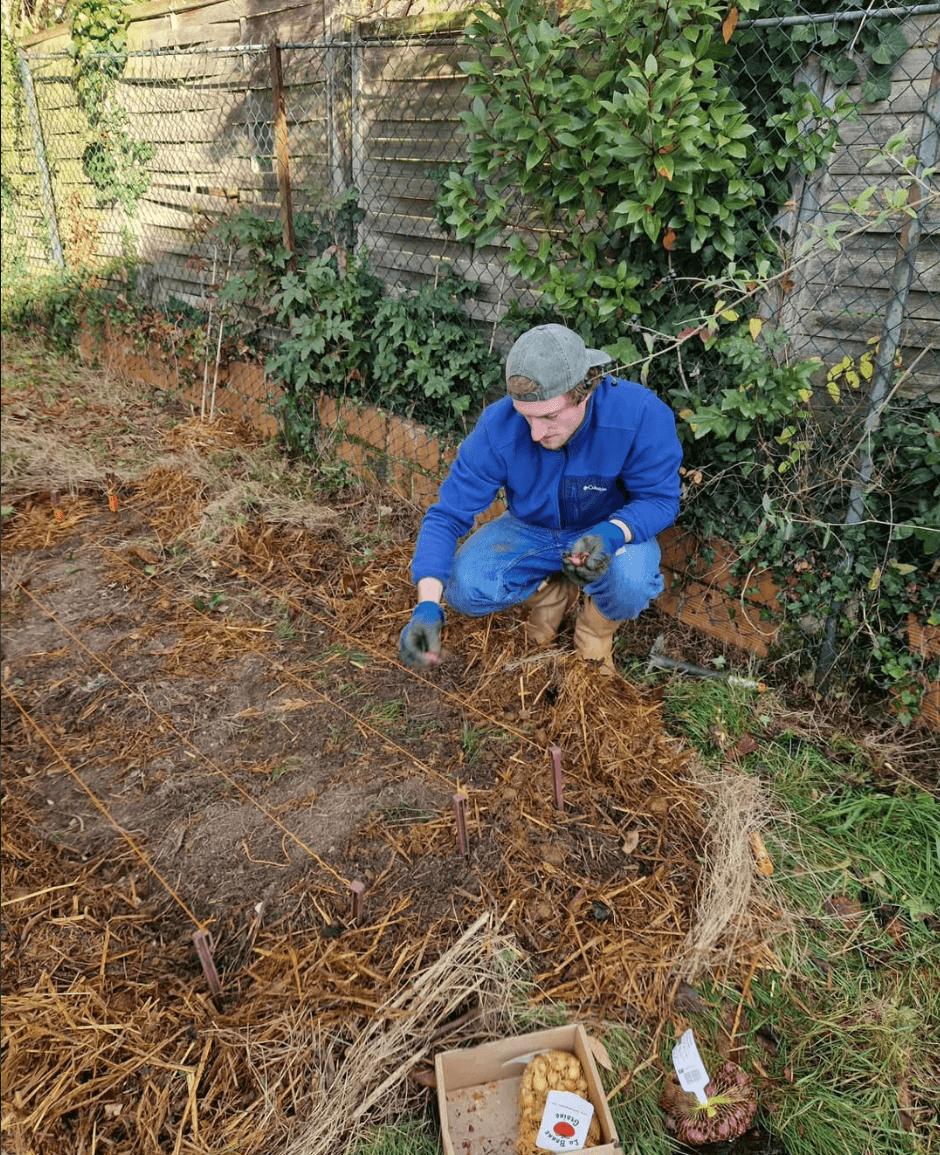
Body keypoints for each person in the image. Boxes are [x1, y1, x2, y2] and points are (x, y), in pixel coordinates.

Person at [399, 322, 683, 675]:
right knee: (462, 588)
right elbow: (446, 516)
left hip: (608, 530)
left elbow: (660, 499)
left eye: (549, 416)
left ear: (587, 388)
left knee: (632, 582)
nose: (536, 433)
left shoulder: (639, 414)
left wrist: (611, 535)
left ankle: (594, 632)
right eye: (526, 416)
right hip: (531, 528)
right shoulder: (497, 427)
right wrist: (427, 607)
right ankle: (553, 594)